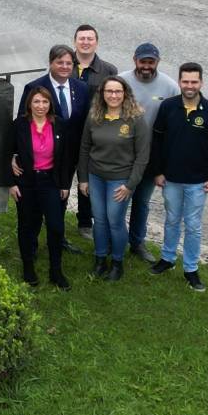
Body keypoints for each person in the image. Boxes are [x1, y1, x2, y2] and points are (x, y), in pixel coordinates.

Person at [148, 62, 208, 290]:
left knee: (193, 226)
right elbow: (157, 142)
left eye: (194, 82)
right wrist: (157, 171)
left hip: (198, 182)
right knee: (171, 219)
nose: (189, 86)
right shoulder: (168, 107)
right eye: (185, 81)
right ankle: (167, 258)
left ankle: (191, 269)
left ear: (201, 83)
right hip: (170, 178)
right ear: (179, 82)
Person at [76, 76, 150, 281]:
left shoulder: (135, 118)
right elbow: (84, 148)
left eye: (118, 91)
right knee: (99, 221)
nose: (114, 95)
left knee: (115, 221)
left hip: (121, 180)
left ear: (125, 93)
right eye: (109, 91)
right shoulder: (95, 116)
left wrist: (130, 185)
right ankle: (100, 260)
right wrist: (83, 178)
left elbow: (143, 156)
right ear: (102, 94)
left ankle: (117, 263)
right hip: (96, 177)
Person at [10, 86, 76, 289]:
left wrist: (65, 184)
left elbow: (66, 157)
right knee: (27, 227)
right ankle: (28, 267)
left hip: (51, 182)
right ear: (29, 104)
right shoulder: (19, 125)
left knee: (56, 227)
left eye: (45, 102)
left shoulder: (60, 125)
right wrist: (11, 183)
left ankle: (56, 271)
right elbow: (6, 153)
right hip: (26, 183)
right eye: (36, 102)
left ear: (50, 104)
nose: (40, 106)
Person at [118, 43, 178, 263]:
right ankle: (117, 242)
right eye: (143, 61)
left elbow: (174, 123)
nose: (146, 66)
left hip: (152, 158)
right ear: (135, 59)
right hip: (123, 155)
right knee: (120, 200)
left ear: (157, 62)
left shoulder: (170, 87)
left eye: (150, 62)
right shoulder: (121, 81)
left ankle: (137, 243)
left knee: (142, 202)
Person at [70, 25, 120, 234]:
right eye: (82, 38)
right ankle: (55, 214)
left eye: (90, 39)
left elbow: (114, 100)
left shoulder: (108, 70)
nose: (86, 42)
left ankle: (85, 222)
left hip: (94, 133)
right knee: (62, 176)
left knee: (88, 177)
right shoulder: (64, 64)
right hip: (67, 131)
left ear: (96, 43)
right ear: (75, 41)